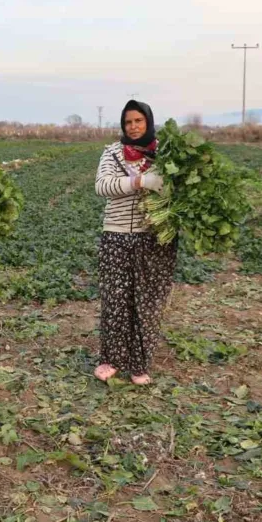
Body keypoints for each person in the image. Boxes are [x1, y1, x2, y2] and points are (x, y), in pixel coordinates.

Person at [93, 100, 177, 385]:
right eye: (128, 122)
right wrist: (139, 182)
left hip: (154, 237)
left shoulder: (164, 153)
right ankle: (111, 359)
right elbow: (102, 185)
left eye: (138, 121)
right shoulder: (113, 153)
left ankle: (139, 364)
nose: (133, 126)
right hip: (116, 235)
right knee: (115, 299)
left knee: (148, 302)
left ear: (148, 122)